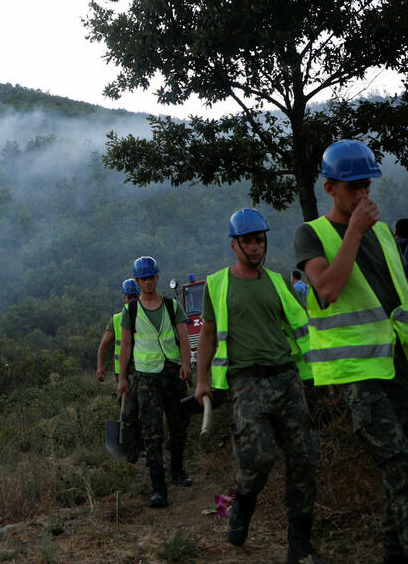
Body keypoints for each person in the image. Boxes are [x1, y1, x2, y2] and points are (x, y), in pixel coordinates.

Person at [294, 139, 408, 564]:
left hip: (400, 364)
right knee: (407, 468)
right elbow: (327, 290)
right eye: (352, 188)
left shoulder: (383, 233)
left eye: (366, 185)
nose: (363, 195)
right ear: (330, 188)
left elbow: (407, 301)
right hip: (357, 374)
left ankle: (395, 554)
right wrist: (354, 232)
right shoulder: (311, 234)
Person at [195, 209, 323, 563]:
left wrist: (322, 373)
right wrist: (202, 379)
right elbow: (207, 333)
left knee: (304, 459)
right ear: (234, 243)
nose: (255, 247)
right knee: (258, 458)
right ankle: (240, 508)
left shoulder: (279, 282)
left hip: (287, 378)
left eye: (260, 240)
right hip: (246, 382)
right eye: (248, 241)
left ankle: (300, 544)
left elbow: (302, 326)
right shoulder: (217, 283)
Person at [117, 256, 192, 507]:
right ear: (137, 281)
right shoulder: (131, 311)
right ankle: (158, 486)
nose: (147, 282)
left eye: (151, 277)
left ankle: (178, 471)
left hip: (172, 373)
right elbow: (126, 345)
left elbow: (183, 337)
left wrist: (185, 364)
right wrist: (123, 378)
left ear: (157, 277)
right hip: (145, 376)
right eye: (143, 279)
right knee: (152, 431)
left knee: (179, 424)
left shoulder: (172, 307)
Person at [96, 277, 143, 462]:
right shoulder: (116, 319)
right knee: (129, 411)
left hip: (144, 369)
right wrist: (100, 367)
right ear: (124, 297)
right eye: (129, 297)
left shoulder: (145, 315)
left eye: (134, 296)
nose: (131, 300)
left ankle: (145, 443)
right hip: (122, 373)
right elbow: (103, 346)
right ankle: (132, 449)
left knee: (145, 408)